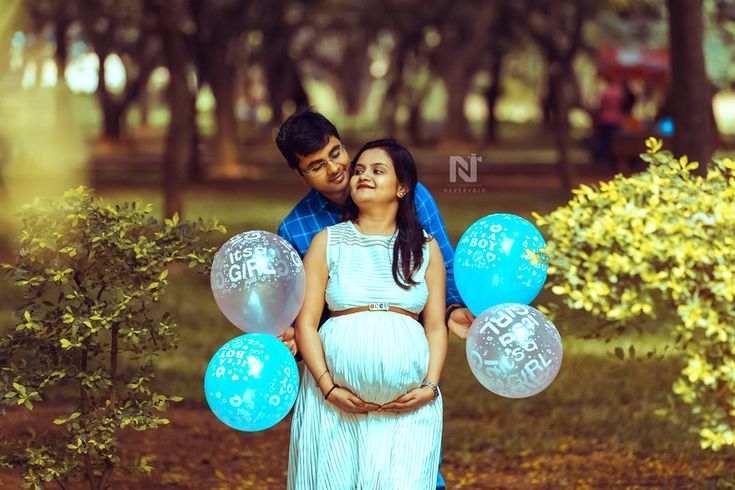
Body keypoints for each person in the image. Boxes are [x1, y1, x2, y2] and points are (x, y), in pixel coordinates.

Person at [287, 138, 447, 489]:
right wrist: (327, 388)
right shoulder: (326, 242)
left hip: (409, 410)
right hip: (332, 407)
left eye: (378, 170)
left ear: (402, 187)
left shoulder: (426, 248)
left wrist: (430, 386)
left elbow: (435, 327)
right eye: (359, 170)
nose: (363, 175)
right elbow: (307, 324)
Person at [275, 107, 474, 340]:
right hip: (339, 357)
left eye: (335, 153)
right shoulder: (295, 229)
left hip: (410, 350)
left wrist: (451, 309)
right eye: (317, 166)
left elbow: (446, 266)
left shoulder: (410, 195)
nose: (334, 169)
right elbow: (298, 312)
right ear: (300, 173)